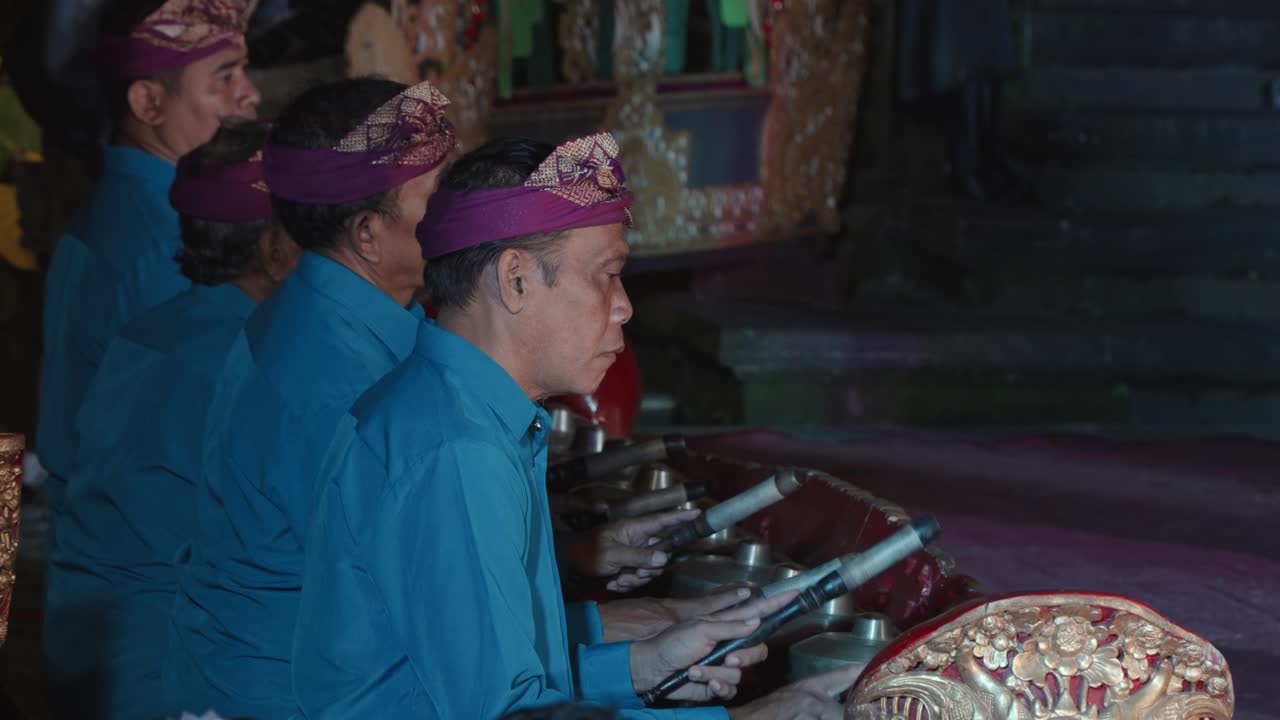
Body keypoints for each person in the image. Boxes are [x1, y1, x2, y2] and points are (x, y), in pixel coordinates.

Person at [290, 133, 858, 719]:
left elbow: (499, 678)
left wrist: (641, 665)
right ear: (515, 279)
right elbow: (511, 716)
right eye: (606, 275)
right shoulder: (455, 451)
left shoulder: (461, 412)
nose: (624, 306)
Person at [164, 76, 454, 720]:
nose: (463, 210)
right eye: (439, 195)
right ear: (368, 233)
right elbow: (412, 604)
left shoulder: (324, 311)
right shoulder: (336, 382)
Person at [42, 120, 297, 720]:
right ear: (275, 252)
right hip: (176, 679)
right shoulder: (253, 361)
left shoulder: (150, 333)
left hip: (93, 655)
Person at [36, 0, 260, 529]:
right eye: (224, 76)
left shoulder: (129, 212)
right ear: (148, 102)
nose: (250, 93)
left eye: (244, 71)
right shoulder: (167, 242)